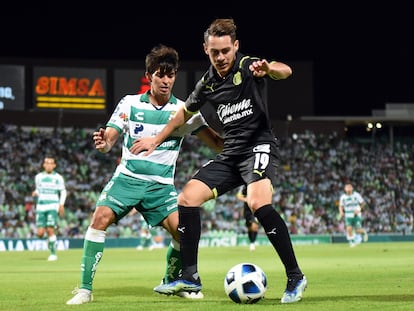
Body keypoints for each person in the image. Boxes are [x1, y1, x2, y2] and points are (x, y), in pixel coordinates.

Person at [130, 18, 307, 304]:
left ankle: (295, 277)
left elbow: (285, 71)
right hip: (230, 154)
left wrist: (269, 69)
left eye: (226, 50)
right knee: (187, 198)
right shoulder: (208, 83)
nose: (221, 57)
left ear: (235, 46)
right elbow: (181, 116)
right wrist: (155, 140)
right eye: (215, 52)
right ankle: (190, 277)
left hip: (258, 147)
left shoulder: (249, 65)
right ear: (206, 50)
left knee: (257, 203)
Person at [66, 44, 223, 305]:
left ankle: (171, 281)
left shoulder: (184, 111)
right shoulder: (129, 103)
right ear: (149, 75)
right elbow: (109, 140)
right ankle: (84, 289)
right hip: (127, 179)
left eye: (170, 75)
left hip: (160, 187)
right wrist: (104, 144)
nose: (166, 80)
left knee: (183, 234)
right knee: (99, 219)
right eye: (160, 74)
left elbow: (217, 143)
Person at [32, 156, 66, 261]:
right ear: (44, 165)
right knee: (40, 233)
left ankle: (53, 254)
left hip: (53, 205)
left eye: (51, 163)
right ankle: (50, 239)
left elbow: (63, 191)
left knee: (50, 229)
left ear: (54, 165)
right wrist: (35, 193)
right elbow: (39, 189)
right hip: (41, 206)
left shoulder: (58, 178)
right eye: (47, 163)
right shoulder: (38, 177)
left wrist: (61, 204)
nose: (49, 165)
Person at [338, 183, 368, 247]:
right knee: (349, 228)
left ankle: (364, 232)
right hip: (348, 215)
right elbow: (340, 206)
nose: (348, 189)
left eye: (350, 187)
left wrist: (358, 209)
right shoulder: (343, 197)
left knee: (358, 230)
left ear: (352, 188)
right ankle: (352, 242)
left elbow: (363, 203)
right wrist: (341, 212)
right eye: (347, 188)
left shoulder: (356, 195)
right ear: (345, 189)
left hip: (356, 215)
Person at [236, 185, 259, 251]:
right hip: (247, 211)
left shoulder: (258, 185)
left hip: (255, 210)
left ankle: (252, 243)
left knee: (255, 226)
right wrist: (246, 199)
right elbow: (239, 196)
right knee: (249, 228)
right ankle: (252, 242)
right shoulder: (244, 186)